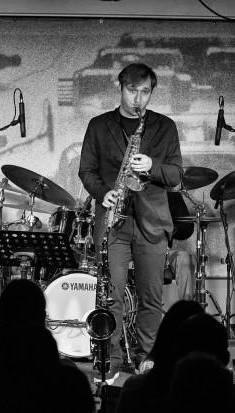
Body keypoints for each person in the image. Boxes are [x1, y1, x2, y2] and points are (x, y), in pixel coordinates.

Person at [78, 62, 183, 383]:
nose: (138, 99)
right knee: (110, 295)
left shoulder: (165, 126)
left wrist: (152, 165)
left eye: (145, 92)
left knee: (151, 297)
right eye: (132, 90)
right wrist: (104, 193)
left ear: (152, 92)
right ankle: (109, 360)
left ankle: (147, 358)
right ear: (120, 87)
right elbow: (86, 171)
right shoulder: (99, 125)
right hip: (114, 222)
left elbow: (176, 175)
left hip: (152, 221)